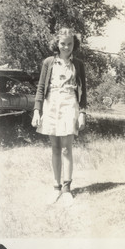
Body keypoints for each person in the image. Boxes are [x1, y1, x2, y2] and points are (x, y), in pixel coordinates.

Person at [31, 27, 87, 205]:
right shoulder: (48, 62)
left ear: (74, 44)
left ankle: (67, 189)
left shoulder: (78, 65)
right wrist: (36, 110)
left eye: (70, 44)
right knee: (55, 147)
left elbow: (83, 91)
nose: (66, 47)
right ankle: (56, 188)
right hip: (51, 103)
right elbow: (41, 87)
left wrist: (82, 113)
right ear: (57, 43)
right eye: (63, 43)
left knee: (66, 148)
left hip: (70, 103)